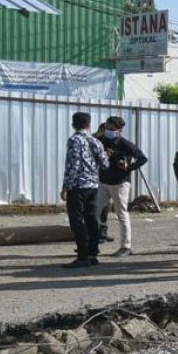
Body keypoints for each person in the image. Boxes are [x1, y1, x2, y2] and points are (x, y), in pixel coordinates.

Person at [95, 115, 147, 256]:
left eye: (112, 128)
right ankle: (92, 244)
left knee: (122, 214)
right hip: (103, 181)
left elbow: (142, 158)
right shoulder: (100, 140)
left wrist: (128, 167)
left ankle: (126, 246)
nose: (108, 130)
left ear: (119, 130)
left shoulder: (125, 144)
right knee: (94, 211)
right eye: (107, 127)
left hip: (120, 183)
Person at [61, 111, 108, 268]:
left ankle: (82, 256)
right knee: (91, 219)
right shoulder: (95, 141)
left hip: (78, 186)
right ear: (89, 124)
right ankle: (92, 253)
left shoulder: (74, 140)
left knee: (76, 221)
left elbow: (72, 165)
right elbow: (105, 163)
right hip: (93, 185)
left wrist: (66, 186)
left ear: (73, 124)